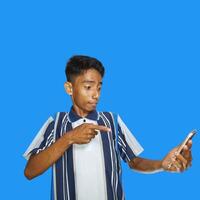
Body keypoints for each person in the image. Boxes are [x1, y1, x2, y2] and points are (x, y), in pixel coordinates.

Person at [23, 55, 193, 200]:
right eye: (88, 87)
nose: (96, 94)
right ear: (69, 88)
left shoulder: (112, 120)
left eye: (99, 87)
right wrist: (69, 138)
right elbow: (30, 171)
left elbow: (134, 162)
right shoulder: (56, 122)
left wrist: (161, 164)